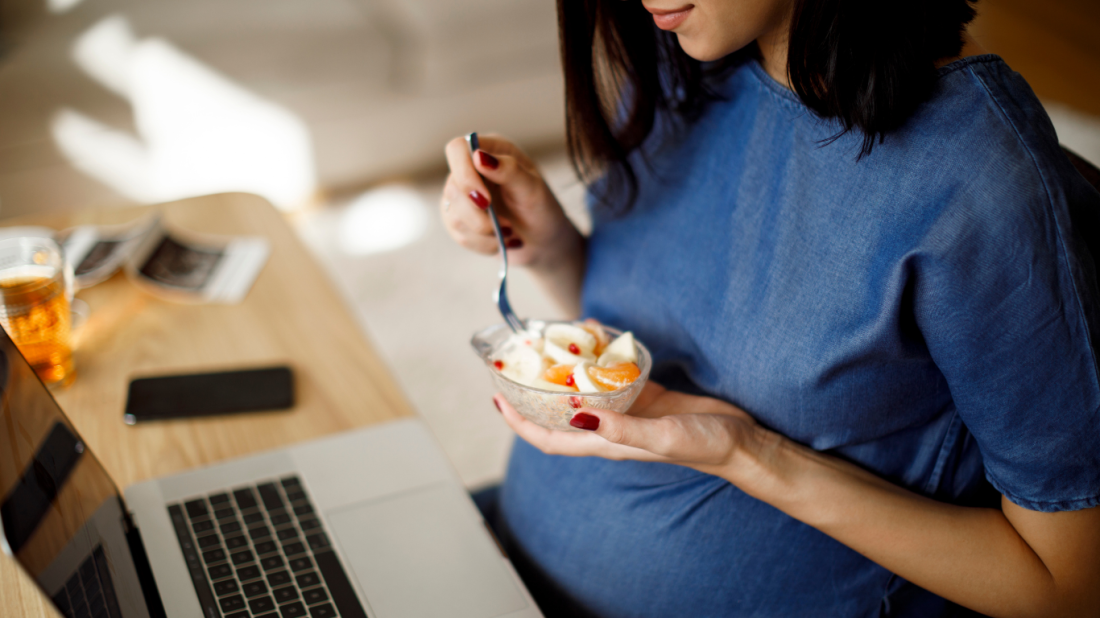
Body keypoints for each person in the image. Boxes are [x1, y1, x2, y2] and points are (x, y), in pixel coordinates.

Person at [440, 0, 1100, 615]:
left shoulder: (981, 183)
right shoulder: (686, 59)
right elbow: (668, 334)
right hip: (500, 553)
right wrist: (549, 244)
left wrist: (746, 453)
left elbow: (1066, 586)